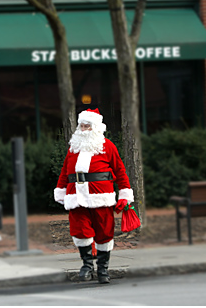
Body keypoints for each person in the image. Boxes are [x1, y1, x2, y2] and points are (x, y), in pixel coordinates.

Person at [54, 108, 134, 284]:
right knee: (80, 231)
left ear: (96, 127)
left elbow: (120, 171)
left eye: (87, 126)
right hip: (76, 197)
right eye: (81, 126)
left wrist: (124, 194)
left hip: (101, 196)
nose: (83, 129)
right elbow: (64, 172)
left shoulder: (108, 146)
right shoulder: (73, 148)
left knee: (104, 232)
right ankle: (87, 265)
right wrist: (60, 190)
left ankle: (103, 269)